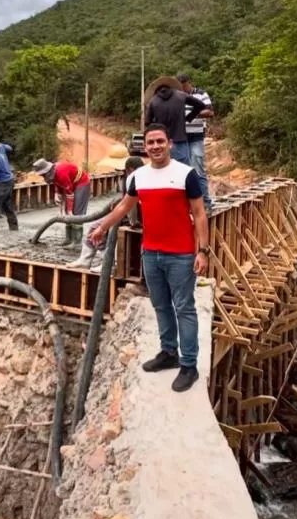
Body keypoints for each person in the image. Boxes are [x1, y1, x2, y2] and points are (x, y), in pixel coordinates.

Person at [89, 125, 210, 393]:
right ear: (145, 147)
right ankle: (169, 352)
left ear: (169, 143)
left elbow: (200, 213)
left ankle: (189, 365)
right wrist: (101, 228)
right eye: (150, 142)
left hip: (180, 253)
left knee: (184, 307)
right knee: (161, 305)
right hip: (151, 253)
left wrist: (202, 251)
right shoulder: (139, 177)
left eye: (160, 141)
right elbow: (123, 206)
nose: (155, 146)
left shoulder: (185, 174)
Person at [68, 154, 144, 270]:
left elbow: (132, 205)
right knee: (96, 226)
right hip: (134, 215)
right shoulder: (137, 176)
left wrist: (132, 222)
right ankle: (86, 260)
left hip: (135, 217)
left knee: (108, 230)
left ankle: (108, 263)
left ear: (130, 169)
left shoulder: (132, 177)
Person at [144, 76, 208, 168]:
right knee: (184, 172)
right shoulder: (181, 95)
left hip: (163, 144)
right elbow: (201, 105)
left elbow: (147, 122)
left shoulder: (153, 101)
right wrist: (189, 117)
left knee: (164, 171)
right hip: (180, 141)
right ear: (171, 86)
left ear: (156, 90)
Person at [177, 73, 215, 213]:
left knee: (198, 169)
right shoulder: (177, 96)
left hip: (196, 136)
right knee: (183, 171)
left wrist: (193, 115)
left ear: (189, 83)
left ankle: (205, 202)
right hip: (181, 136)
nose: (182, 88)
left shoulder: (200, 94)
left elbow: (210, 112)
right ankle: (187, 205)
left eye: (184, 85)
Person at [32, 158, 90, 245]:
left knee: (76, 212)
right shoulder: (53, 173)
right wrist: (57, 193)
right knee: (67, 213)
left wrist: (70, 211)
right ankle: (68, 239)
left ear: (47, 171)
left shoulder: (61, 173)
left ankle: (76, 242)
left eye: (43, 175)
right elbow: (58, 183)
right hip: (71, 183)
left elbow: (69, 193)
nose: (43, 177)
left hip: (81, 182)